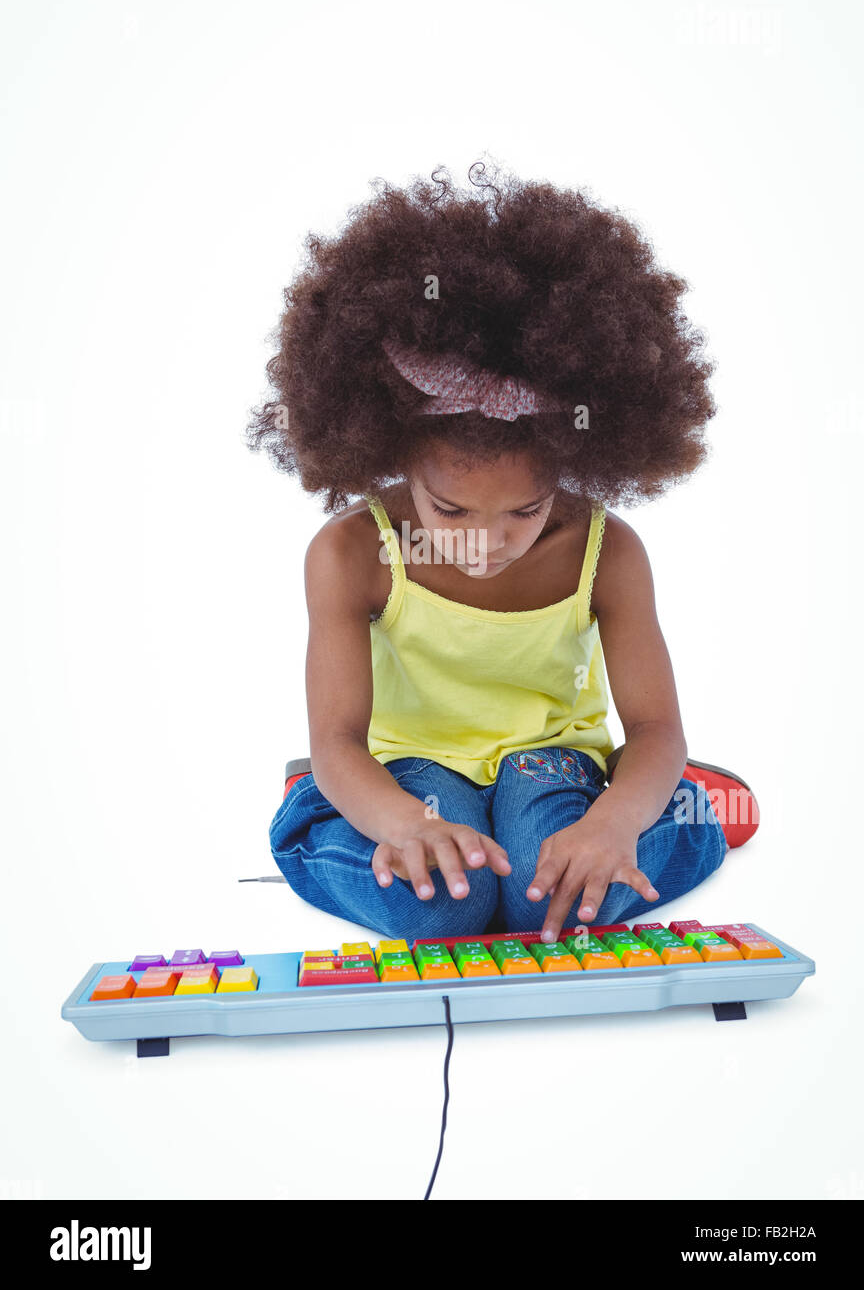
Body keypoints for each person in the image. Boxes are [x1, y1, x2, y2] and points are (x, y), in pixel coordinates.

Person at [248, 162, 731, 944]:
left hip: (552, 761)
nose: (488, 538)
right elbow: (337, 740)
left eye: (527, 509)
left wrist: (615, 821)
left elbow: (654, 730)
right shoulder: (353, 552)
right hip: (410, 769)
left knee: (553, 904)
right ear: (396, 452)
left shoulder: (606, 554)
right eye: (449, 508)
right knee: (439, 908)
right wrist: (398, 821)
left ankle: (684, 812)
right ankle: (310, 819)